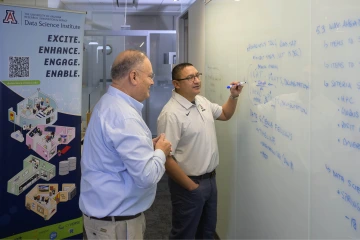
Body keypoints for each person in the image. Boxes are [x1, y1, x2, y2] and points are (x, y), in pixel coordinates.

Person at [79, 49, 172, 240]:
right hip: (117, 225)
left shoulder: (109, 104)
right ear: (134, 76)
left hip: (107, 218)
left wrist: (147, 146)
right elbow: (146, 176)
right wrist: (161, 152)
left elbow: (117, 153)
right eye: (150, 76)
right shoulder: (124, 116)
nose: (152, 82)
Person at [157, 63, 243, 239]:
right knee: (185, 233)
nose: (196, 80)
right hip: (188, 184)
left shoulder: (201, 101)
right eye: (190, 77)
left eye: (197, 75)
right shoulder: (171, 114)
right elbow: (166, 158)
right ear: (176, 83)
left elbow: (225, 114)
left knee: (207, 232)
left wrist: (233, 97)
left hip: (210, 181)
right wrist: (191, 187)